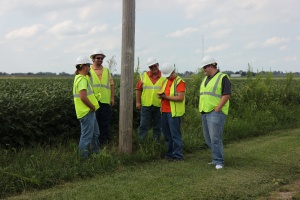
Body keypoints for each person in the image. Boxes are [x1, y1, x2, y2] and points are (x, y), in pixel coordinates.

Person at [199, 56, 231, 169]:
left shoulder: (223, 77)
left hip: (215, 112)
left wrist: (218, 108)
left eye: (205, 67)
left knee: (215, 138)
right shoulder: (206, 78)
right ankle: (215, 158)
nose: (204, 70)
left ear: (211, 66)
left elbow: (226, 94)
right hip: (204, 111)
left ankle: (219, 161)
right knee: (208, 139)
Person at [73, 55, 101, 159]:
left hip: (88, 111)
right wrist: (92, 107)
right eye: (88, 65)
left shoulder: (80, 78)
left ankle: (96, 154)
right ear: (84, 66)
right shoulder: (81, 79)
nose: (89, 68)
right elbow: (83, 97)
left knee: (95, 134)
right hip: (86, 111)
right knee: (86, 137)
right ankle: (83, 159)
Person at [158, 63, 186, 161]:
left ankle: (178, 156)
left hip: (174, 112)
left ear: (173, 72)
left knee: (175, 135)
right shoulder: (165, 81)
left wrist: (166, 97)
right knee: (167, 135)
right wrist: (161, 96)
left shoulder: (179, 82)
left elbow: (180, 98)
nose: (167, 77)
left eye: (168, 75)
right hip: (164, 111)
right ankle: (169, 154)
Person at [135, 57, 166, 142]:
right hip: (146, 105)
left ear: (158, 65)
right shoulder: (143, 76)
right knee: (143, 126)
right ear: (149, 68)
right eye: (151, 67)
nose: (153, 68)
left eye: (154, 66)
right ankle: (142, 144)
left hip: (159, 105)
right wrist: (138, 102)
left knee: (158, 127)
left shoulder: (164, 77)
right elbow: (138, 89)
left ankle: (156, 144)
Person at [89, 50, 115, 145]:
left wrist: (112, 98)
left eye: (101, 58)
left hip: (105, 101)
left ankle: (104, 143)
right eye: (97, 58)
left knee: (105, 123)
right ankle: (94, 144)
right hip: (93, 102)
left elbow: (111, 85)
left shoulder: (107, 72)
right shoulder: (89, 71)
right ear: (93, 59)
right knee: (94, 124)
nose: (100, 60)